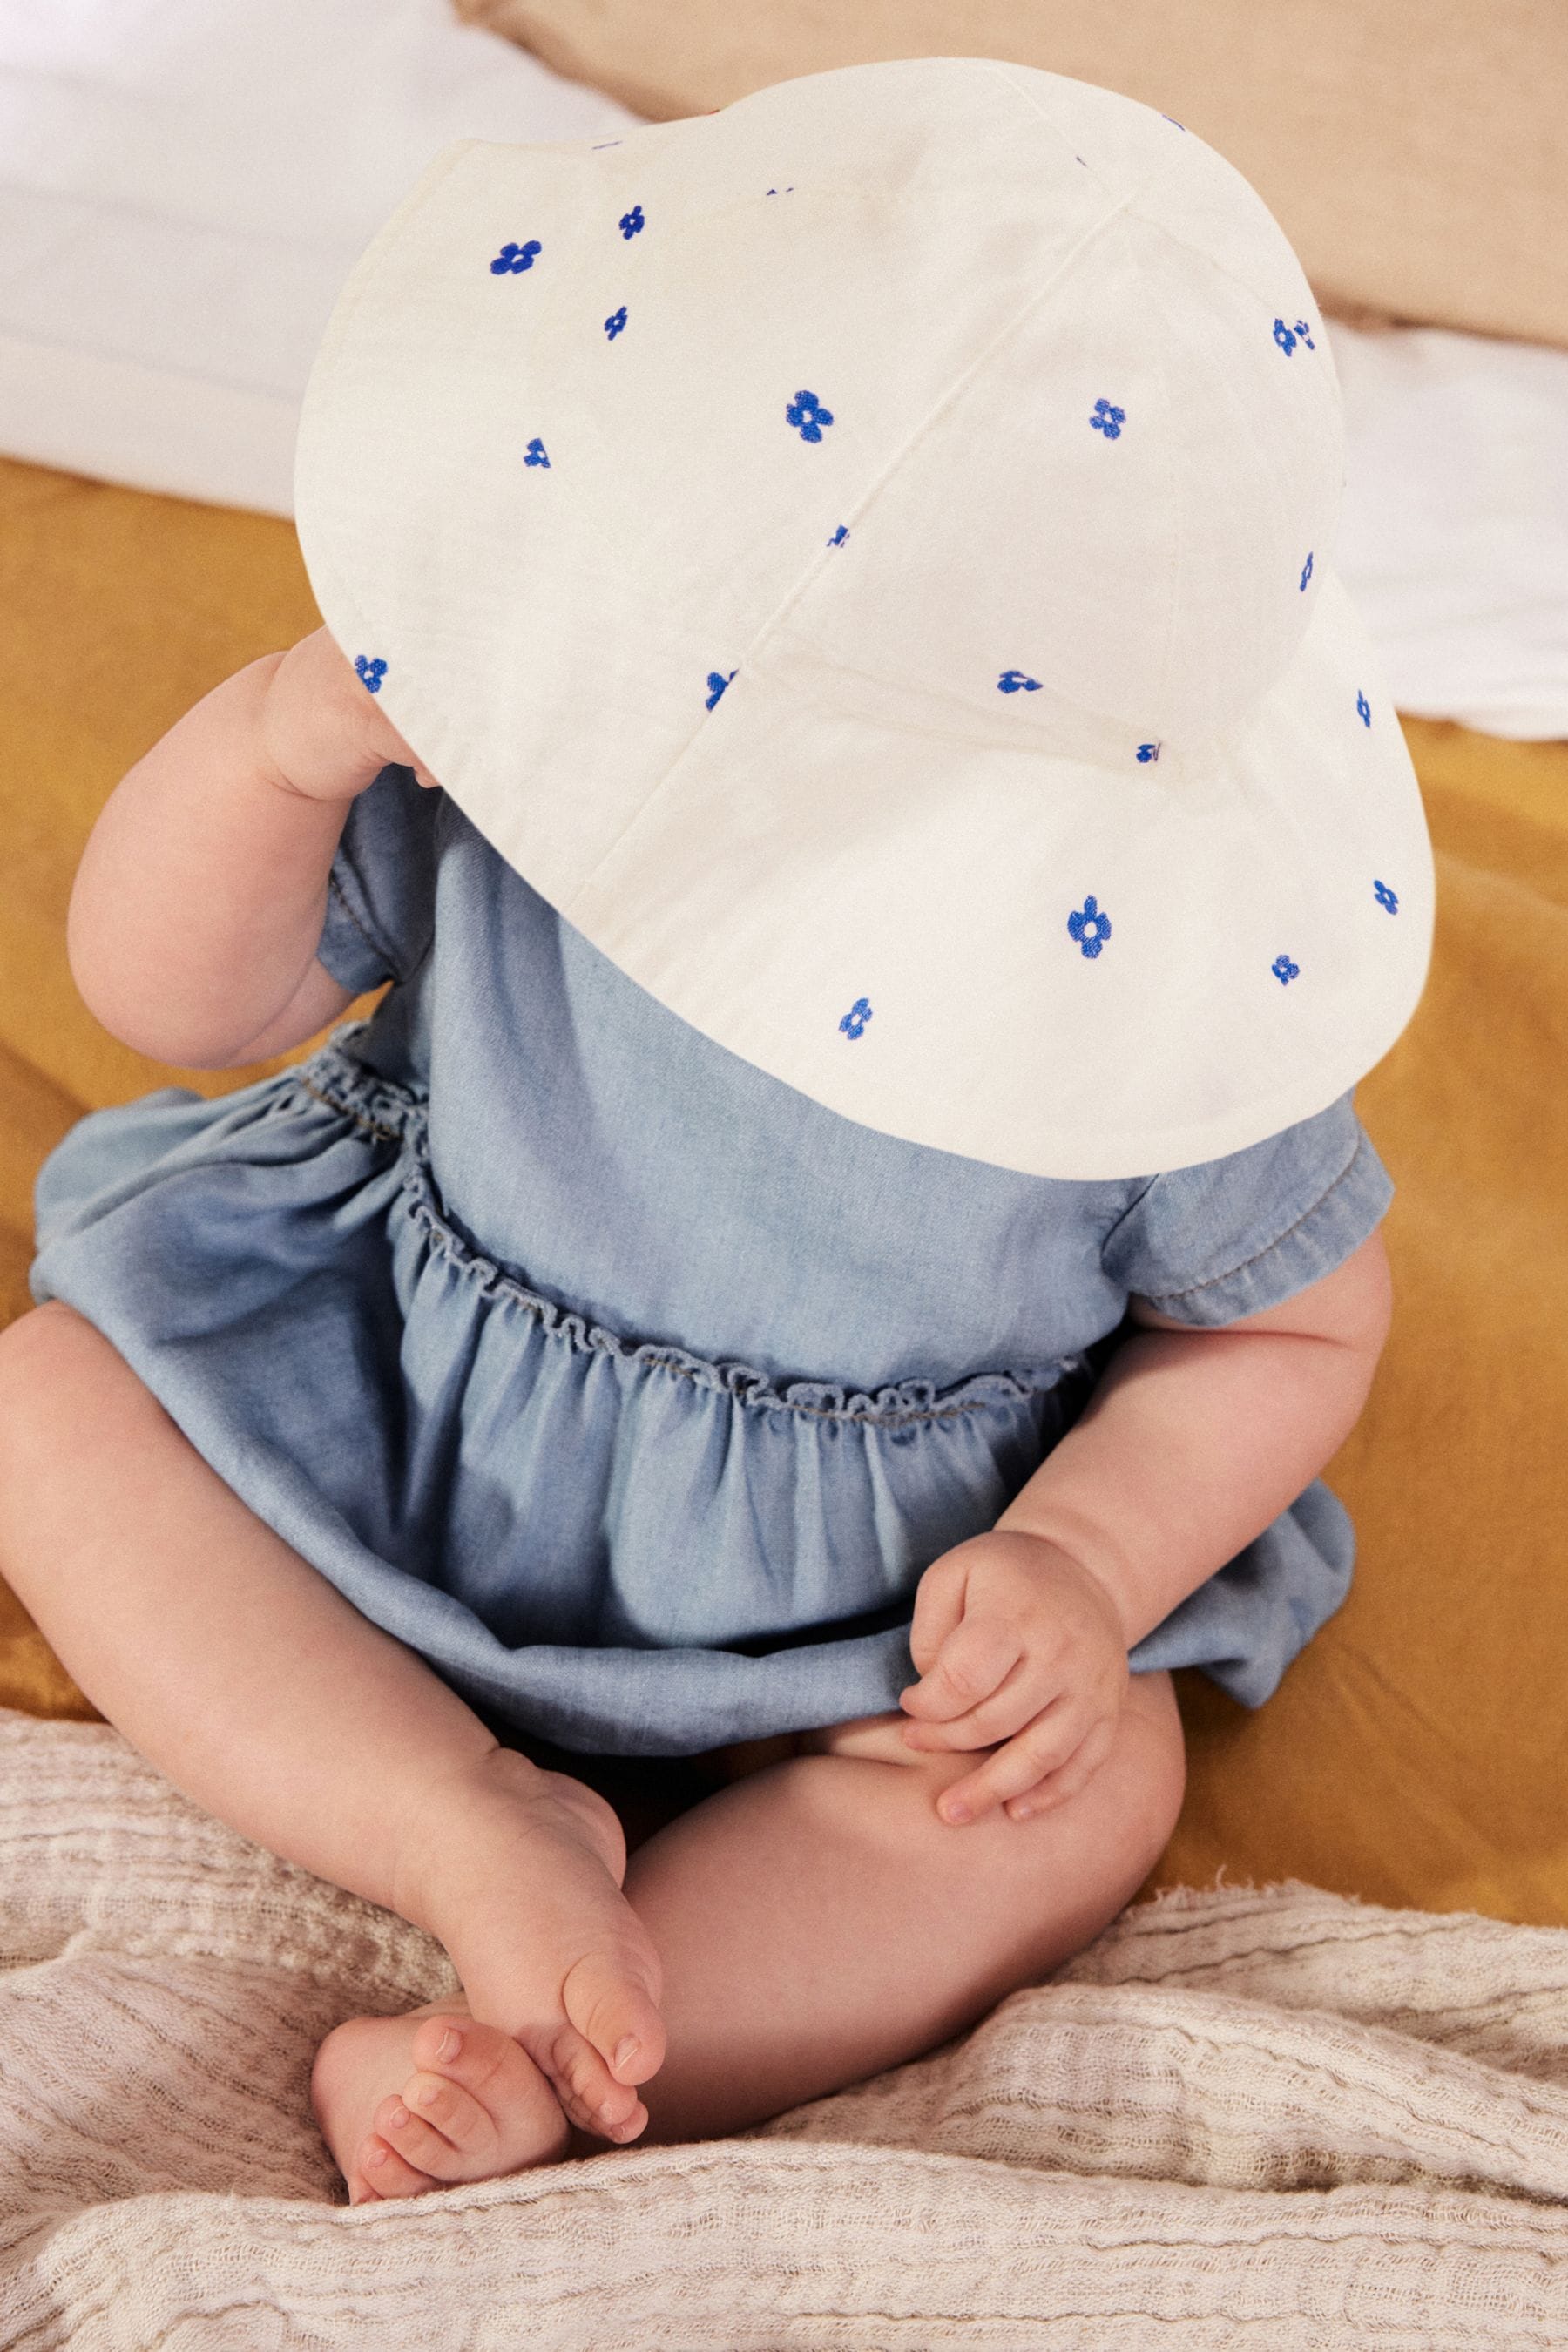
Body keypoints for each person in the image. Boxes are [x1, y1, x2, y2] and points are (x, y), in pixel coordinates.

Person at [0, 58, 1432, 2201]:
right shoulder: (540, 742)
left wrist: (1087, 1554)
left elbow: (1292, 1329)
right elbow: (175, 1001)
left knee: (1084, 1779)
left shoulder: (1145, 994)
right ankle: (451, 1820)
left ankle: (568, 2036)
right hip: (378, 1415)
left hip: (844, 1626)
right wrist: (285, 737)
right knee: (42, 1403)